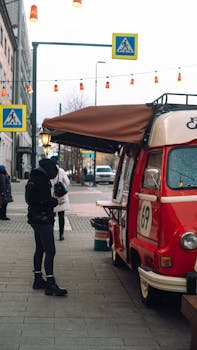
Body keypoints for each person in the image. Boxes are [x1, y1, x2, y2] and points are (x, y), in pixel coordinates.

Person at [25, 158, 67, 296]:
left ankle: (38, 279)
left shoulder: (33, 177)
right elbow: (44, 201)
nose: (54, 176)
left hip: (34, 219)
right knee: (50, 250)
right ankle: (50, 283)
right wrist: (56, 201)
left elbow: (30, 200)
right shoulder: (42, 180)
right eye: (54, 173)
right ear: (50, 169)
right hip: (43, 220)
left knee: (40, 248)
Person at [50, 156, 70, 241]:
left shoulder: (48, 171)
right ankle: (61, 234)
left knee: (51, 217)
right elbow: (67, 182)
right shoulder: (61, 171)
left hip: (52, 196)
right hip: (61, 197)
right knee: (61, 216)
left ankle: (50, 234)